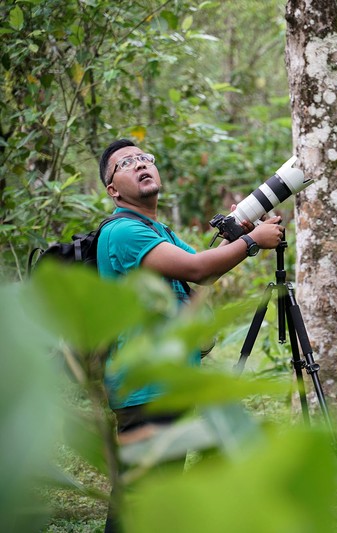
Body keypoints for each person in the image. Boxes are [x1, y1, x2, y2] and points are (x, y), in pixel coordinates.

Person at [96, 139, 284, 530]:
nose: (141, 165)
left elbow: (203, 275)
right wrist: (252, 243)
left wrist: (238, 235)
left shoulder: (156, 229)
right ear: (113, 190)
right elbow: (197, 268)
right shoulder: (123, 232)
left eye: (145, 158)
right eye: (127, 164)